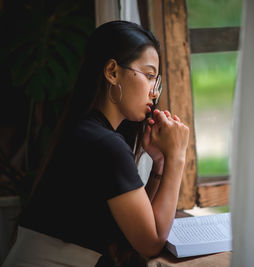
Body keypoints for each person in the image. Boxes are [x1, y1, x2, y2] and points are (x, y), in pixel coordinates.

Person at [2, 21, 189, 267]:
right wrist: (177, 156)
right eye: (150, 75)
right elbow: (151, 242)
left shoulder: (88, 131)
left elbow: (138, 232)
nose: (155, 92)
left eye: (157, 80)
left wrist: (160, 162)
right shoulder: (105, 144)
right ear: (112, 72)